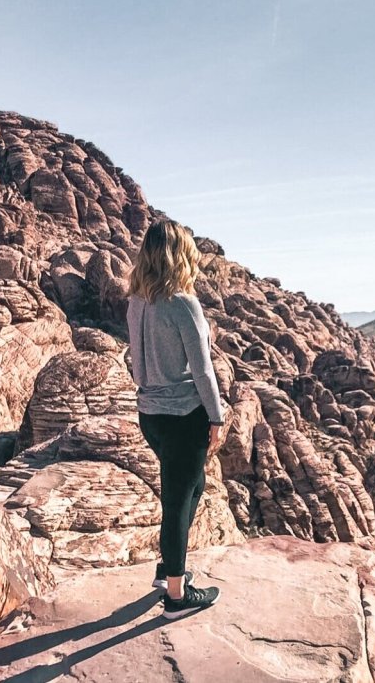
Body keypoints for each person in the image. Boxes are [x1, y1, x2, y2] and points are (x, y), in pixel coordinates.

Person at [125, 218, 225, 620]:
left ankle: (169, 569)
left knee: (192, 487)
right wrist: (215, 417)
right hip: (184, 414)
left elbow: (136, 358)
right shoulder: (183, 302)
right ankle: (176, 597)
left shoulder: (136, 300)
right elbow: (203, 370)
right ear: (180, 255)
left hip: (150, 414)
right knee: (178, 503)